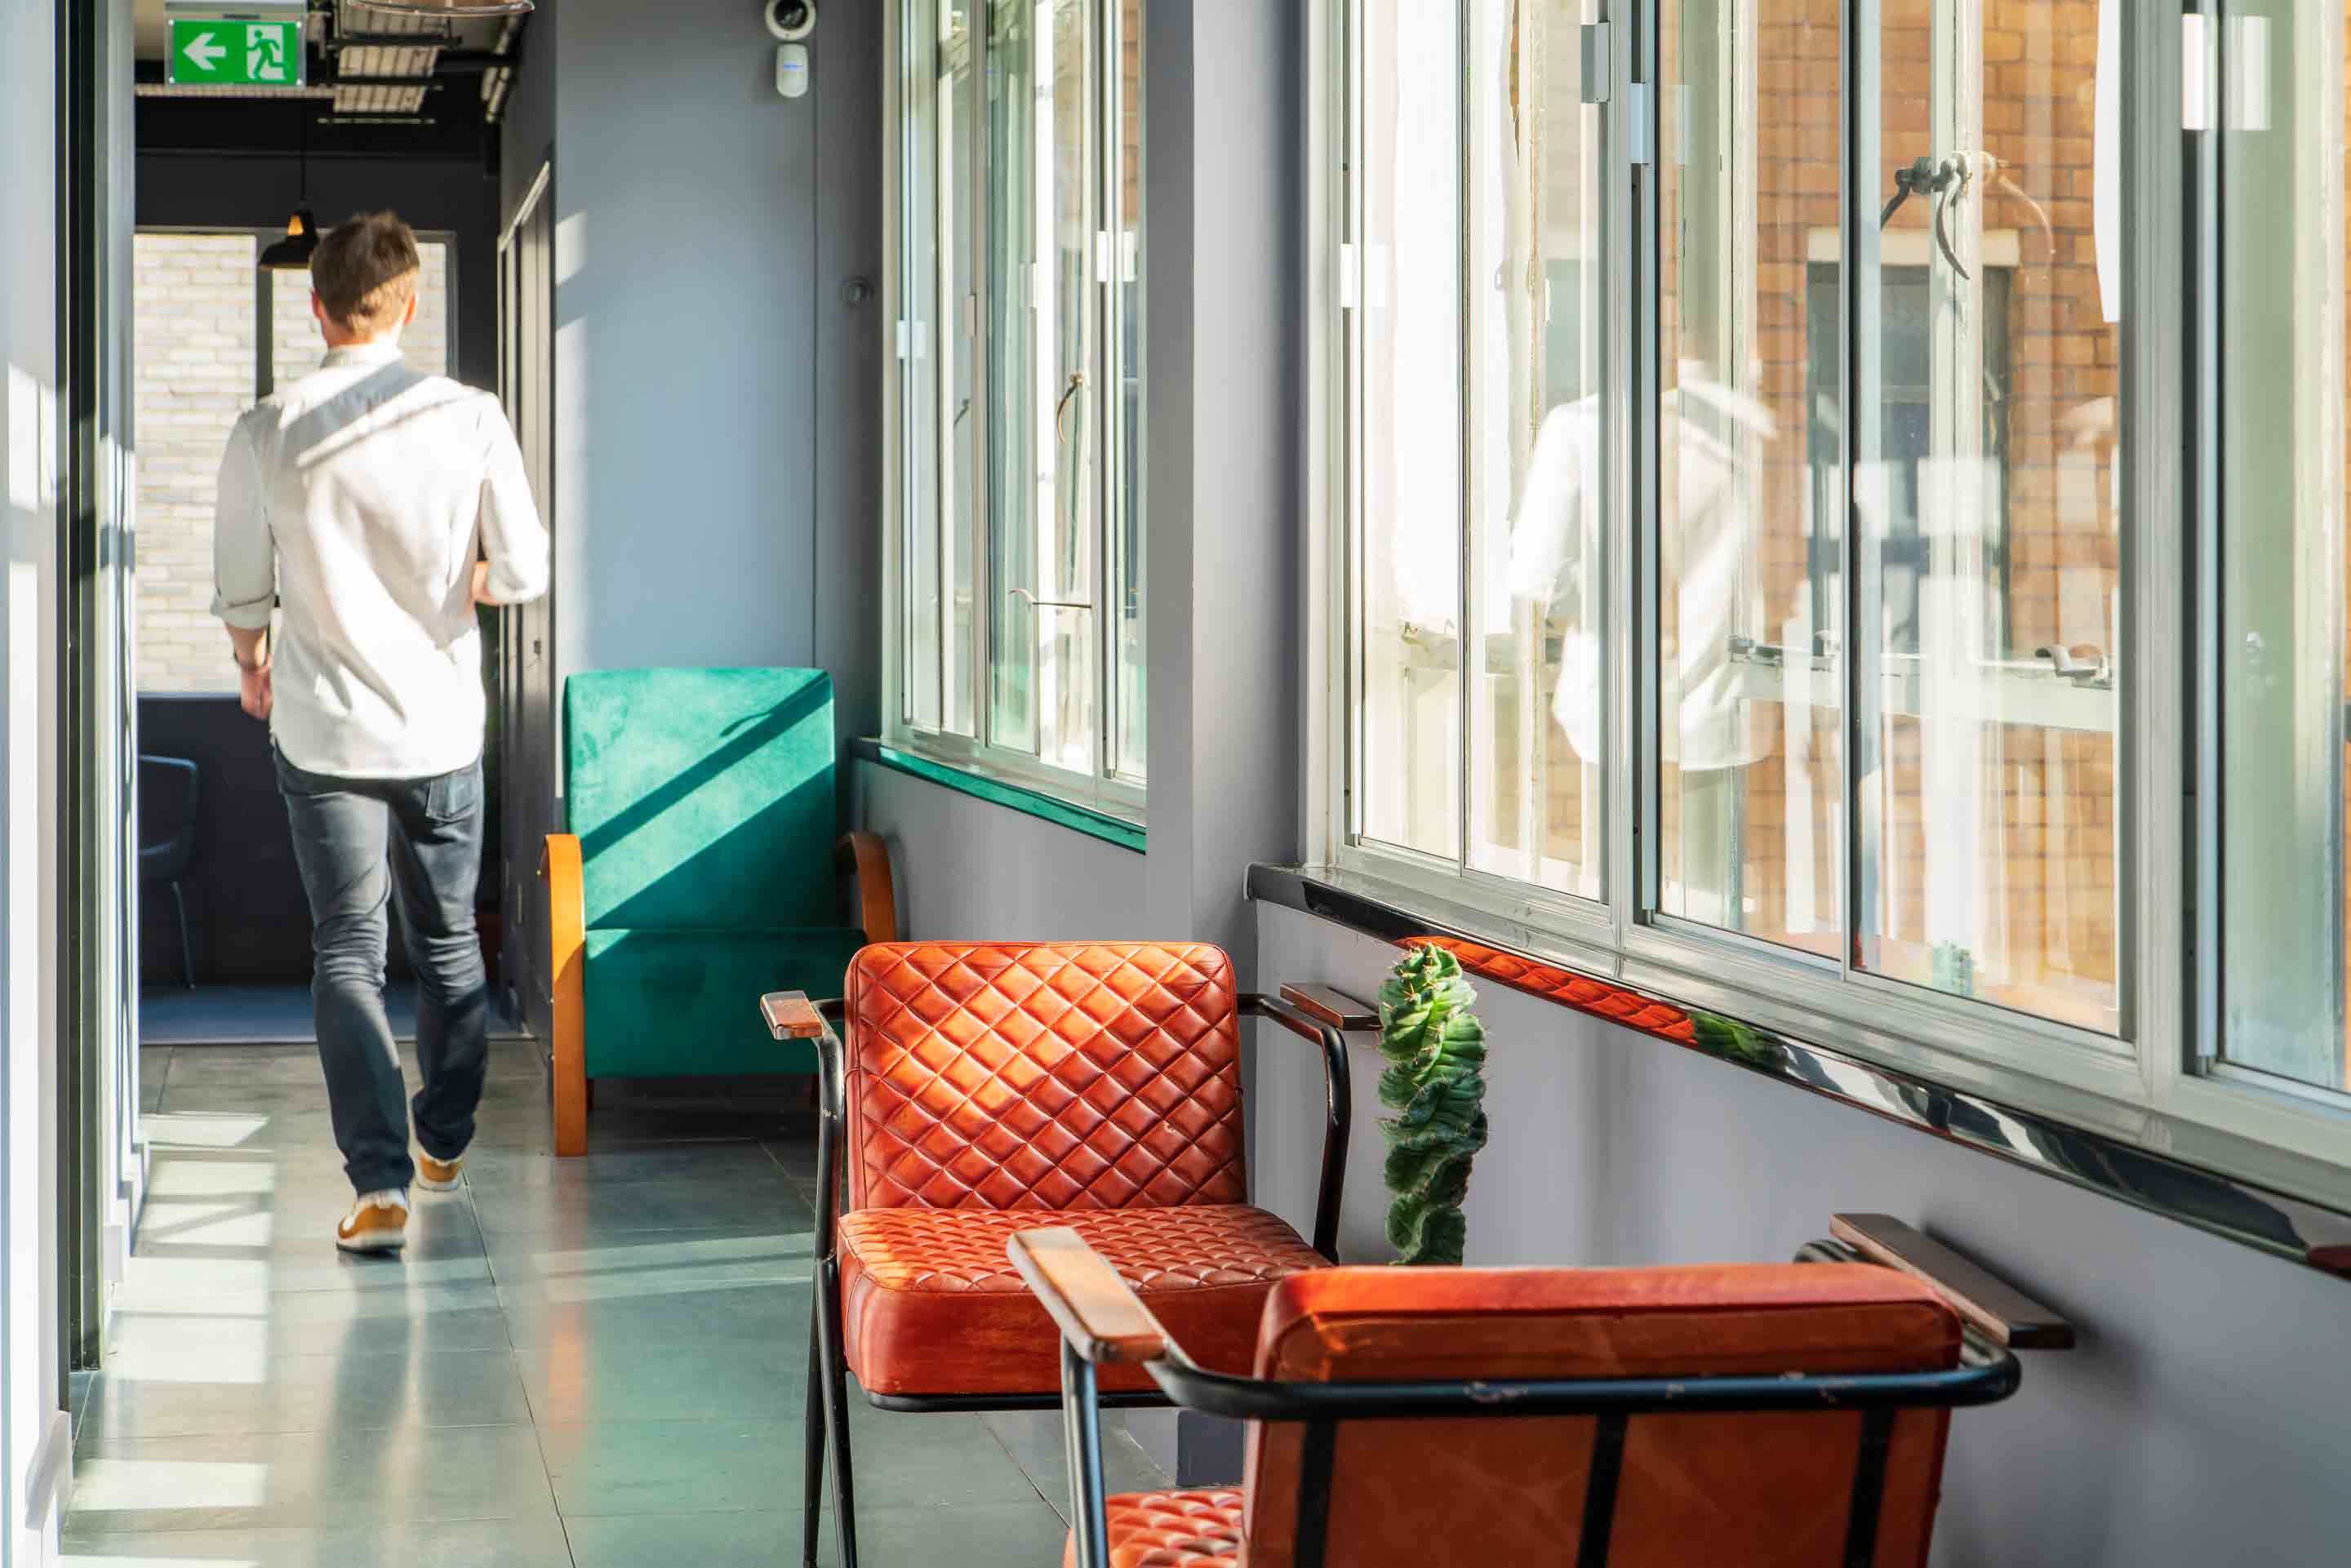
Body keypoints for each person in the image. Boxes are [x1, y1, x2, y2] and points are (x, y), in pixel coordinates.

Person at [212, 211, 548, 1254]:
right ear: (408, 306)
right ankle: (443, 1134)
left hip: (325, 740)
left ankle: (379, 1187)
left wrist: (253, 665)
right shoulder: (470, 416)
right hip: (443, 730)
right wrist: (462, 584)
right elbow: (527, 572)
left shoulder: (268, 426)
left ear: (316, 306)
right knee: (448, 943)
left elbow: (240, 586)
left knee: (346, 953)